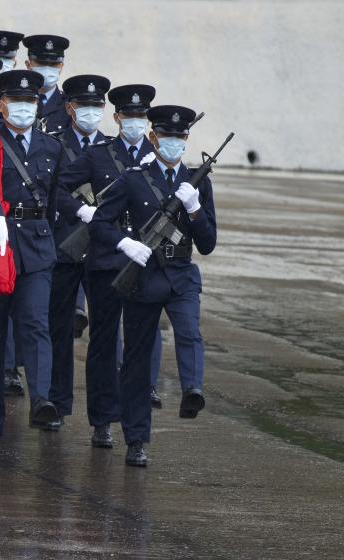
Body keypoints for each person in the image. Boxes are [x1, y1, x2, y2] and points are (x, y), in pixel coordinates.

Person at [90, 105, 217, 466]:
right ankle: (136, 439)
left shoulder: (197, 182)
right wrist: (124, 243)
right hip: (143, 276)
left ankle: (192, 389)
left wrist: (194, 211)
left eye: (180, 137)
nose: (174, 143)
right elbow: (100, 223)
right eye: (166, 136)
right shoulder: (134, 178)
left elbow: (207, 243)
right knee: (137, 359)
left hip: (181, 274)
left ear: (187, 139)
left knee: (190, 331)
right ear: (153, 137)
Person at [0, 70, 64, 461]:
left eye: (31, 100)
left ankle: (41, 398)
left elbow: (53, 200)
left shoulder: (50, 146)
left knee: (36, 322)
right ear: (0, 104)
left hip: (36, 248)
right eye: (16, 100)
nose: (24, 107)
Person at [57, 83, 162, 447]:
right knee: (103, 342)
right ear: (117, 118)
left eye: (141, 116)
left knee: (139, 343)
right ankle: (102, 418)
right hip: (105, 259)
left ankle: (136, 424)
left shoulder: (160, 156)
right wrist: (82, 212)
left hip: (145, 261)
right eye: (128, 116)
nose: (135, 122)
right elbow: (57, 186)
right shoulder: (99, 155)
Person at [46, 74, 111, 429]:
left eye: (97, 105)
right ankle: (57, 403)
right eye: (85, 105)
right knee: (59, 329)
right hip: (65, 245)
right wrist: (78, 210)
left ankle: (102, 418)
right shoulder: (54, 145)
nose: (91, 111)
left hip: (102, 249)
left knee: (104, 334)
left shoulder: (113, 149)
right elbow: (50, 190)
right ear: (69, 108)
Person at [21, 34, 70, 133]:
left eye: (53, 64)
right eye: (41, 63)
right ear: (28, 65)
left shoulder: (70, 105)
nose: (47, 68)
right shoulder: (15, 100)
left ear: (61, 66)